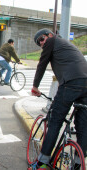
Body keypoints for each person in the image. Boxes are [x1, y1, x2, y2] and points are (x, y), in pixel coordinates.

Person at [31, 28, 87, 170]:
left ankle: (42, 163)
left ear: (50, 35)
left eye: (42, 39)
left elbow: (42, 64)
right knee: (83, 126)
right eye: (39, 43)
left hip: (71, 83)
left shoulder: (53, 41)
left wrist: (35, 86)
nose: (42, 43)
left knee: (55, 120)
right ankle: (77, 164)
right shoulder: (65, 44)